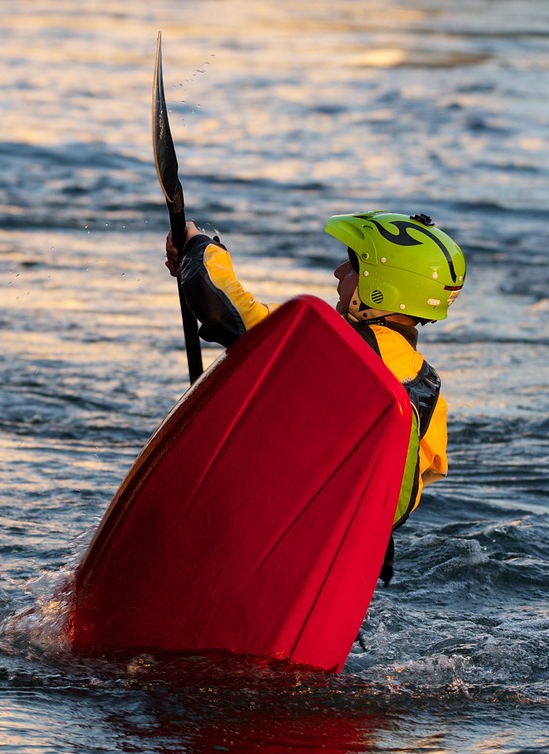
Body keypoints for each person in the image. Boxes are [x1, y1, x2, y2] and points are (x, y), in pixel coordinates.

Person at [164, 210, 466, 585]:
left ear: (382, 288)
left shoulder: (336, 343)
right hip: (345, 567)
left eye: (353, 265)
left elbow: (229, 314)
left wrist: (199, 250)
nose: (339, 272)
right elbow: (420, 477)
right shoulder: (430, 388)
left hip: (265, 541)